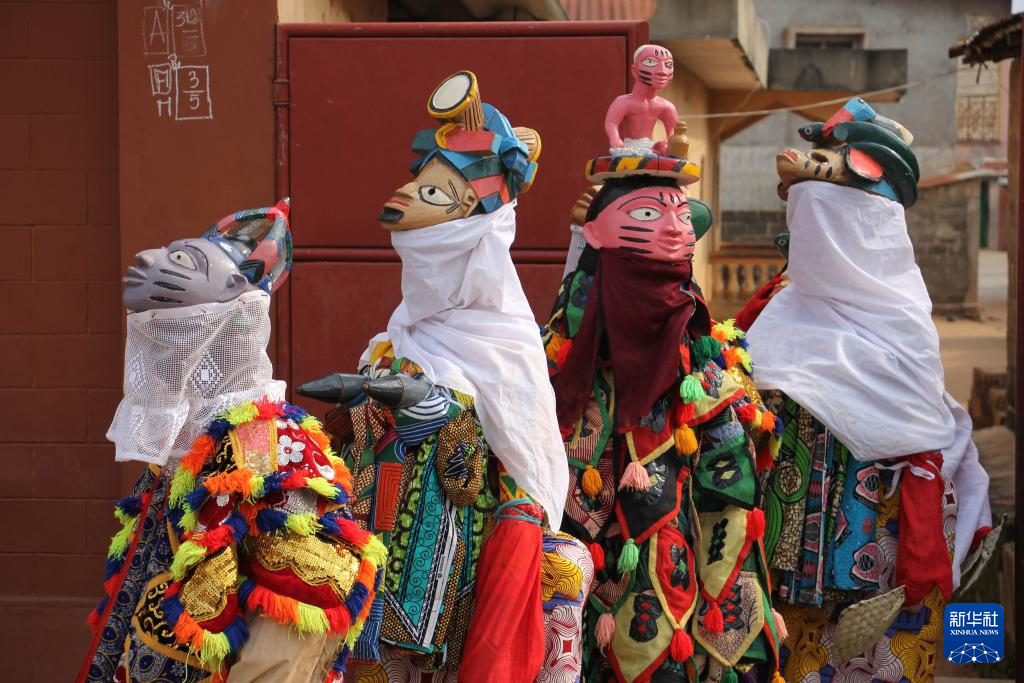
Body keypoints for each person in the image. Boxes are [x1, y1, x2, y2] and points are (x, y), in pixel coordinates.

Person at [300, 71, 590, 683]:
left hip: (459, 576)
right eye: (419, 184)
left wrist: (439, 414)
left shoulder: (506, 345)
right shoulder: (398, 334)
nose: (406, 198)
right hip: (369, 560)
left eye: (433, 194)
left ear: (473, 230)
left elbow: (521, 464)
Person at [741, 98, 997, 682]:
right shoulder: (772, 316)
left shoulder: (902, 318)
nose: (815, 240)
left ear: (864, 229)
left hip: (891, 557)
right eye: (805, 225)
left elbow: (923, 427)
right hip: (786, 560)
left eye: (828, 225)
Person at [79, 201, 385, 683]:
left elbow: (291, 631)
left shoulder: (272, 445)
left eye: (183, 260)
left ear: (234, 296)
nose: (146, 259)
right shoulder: (185, 442)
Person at [541, 79, 784, 682]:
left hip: (691, 546)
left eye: (680, 215)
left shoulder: (700, 342)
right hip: (599, 555)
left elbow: (732, 486)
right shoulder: (570, 344)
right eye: (648, 214)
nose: (676, 228)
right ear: (597, 234)